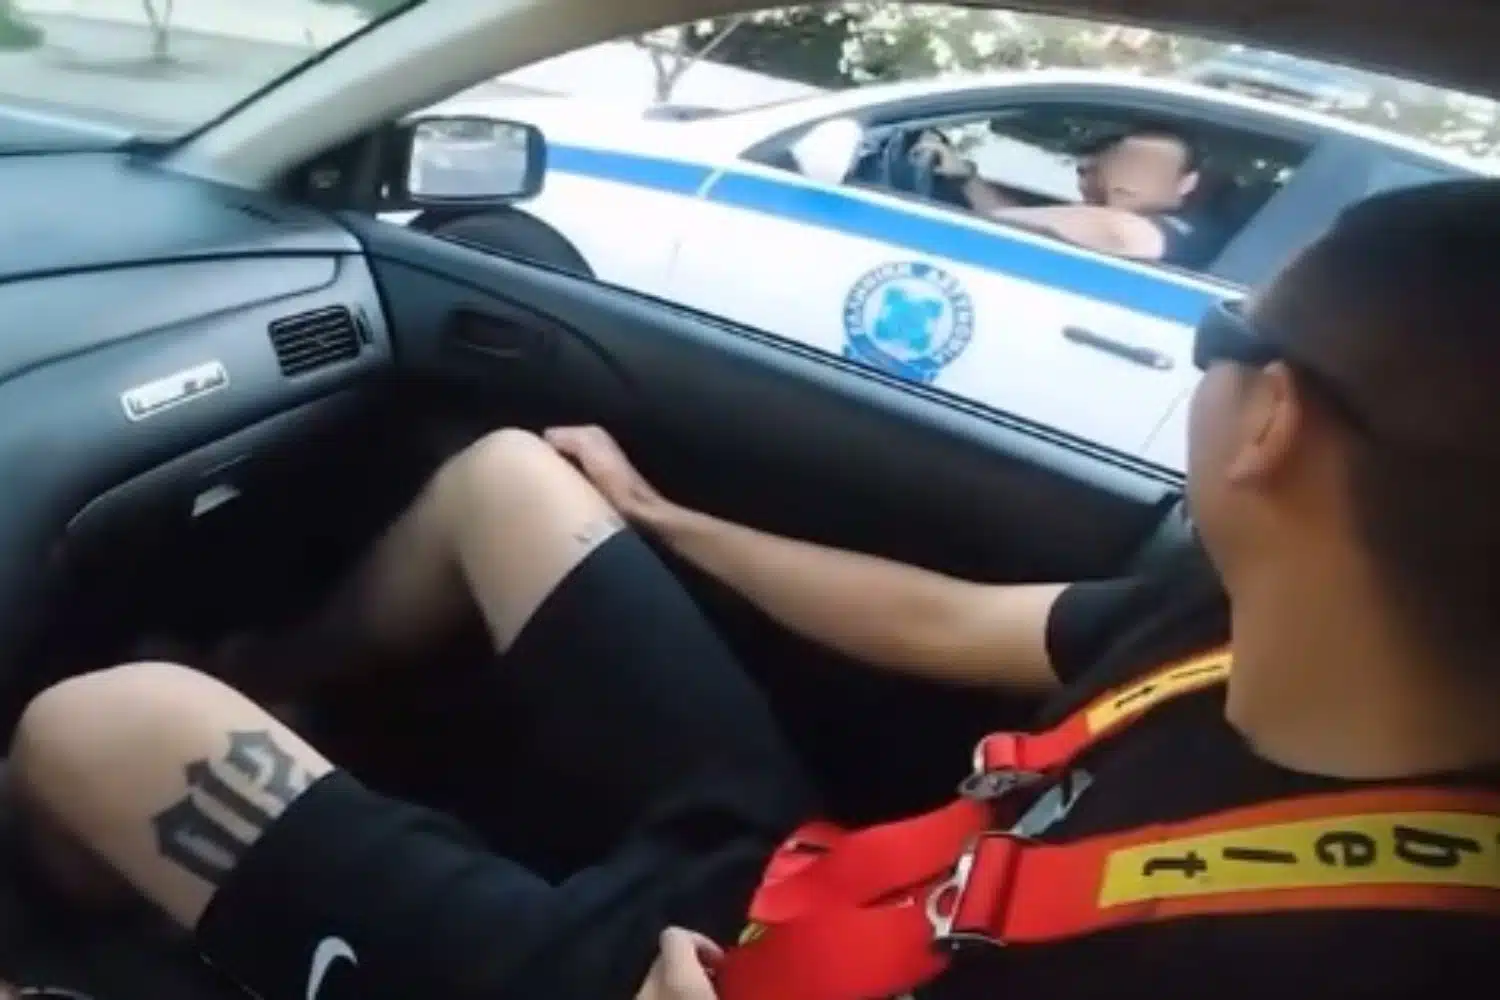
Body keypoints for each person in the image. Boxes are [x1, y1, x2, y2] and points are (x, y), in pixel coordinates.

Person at [11, 180, 1500, 1000]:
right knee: (513, 477)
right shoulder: (1234, 622)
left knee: (103, 721)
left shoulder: (1371, 963)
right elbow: (941, 621)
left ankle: (76, 918)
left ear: (1272, 419)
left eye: (1227, 330)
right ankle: (272, 699)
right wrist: (666, 520)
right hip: (806, 880)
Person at [926, 123, 1202, 263]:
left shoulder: (1179, 231)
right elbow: (1012, 218)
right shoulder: (1115, 213)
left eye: (1149, 168)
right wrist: (967, 179)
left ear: (1186, 183)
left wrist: (973, 221)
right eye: (1124, 163)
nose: (1130, 178)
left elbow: (1121, 232)